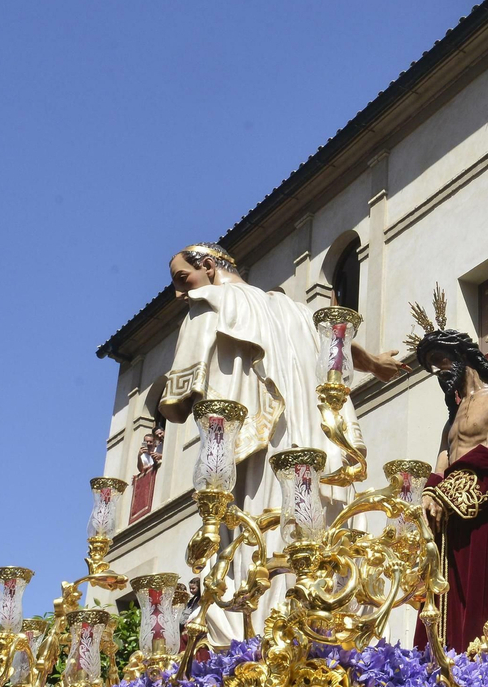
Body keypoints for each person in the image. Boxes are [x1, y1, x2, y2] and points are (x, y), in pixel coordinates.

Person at [159, 242, 403, 644]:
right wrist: (374, 363)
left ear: (208, 266)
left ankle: (257, 642)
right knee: (321, 536)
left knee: (254, 535)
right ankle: (323, 632)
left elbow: (177, 404)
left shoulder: (209, 303)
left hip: (261, 449)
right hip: (316, 447)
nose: (180, 293)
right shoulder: (293, 308)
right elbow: (336, 340)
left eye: (182, 279)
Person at [407, 288, 488, 653]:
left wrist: (444, 493)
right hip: (449, 521)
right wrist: (429, 492)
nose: (438, 372)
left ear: (462, 356)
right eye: (432, 367)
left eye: (441, 361)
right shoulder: (453, 416)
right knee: (443, 611)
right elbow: (443, 458)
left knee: (486, 610)